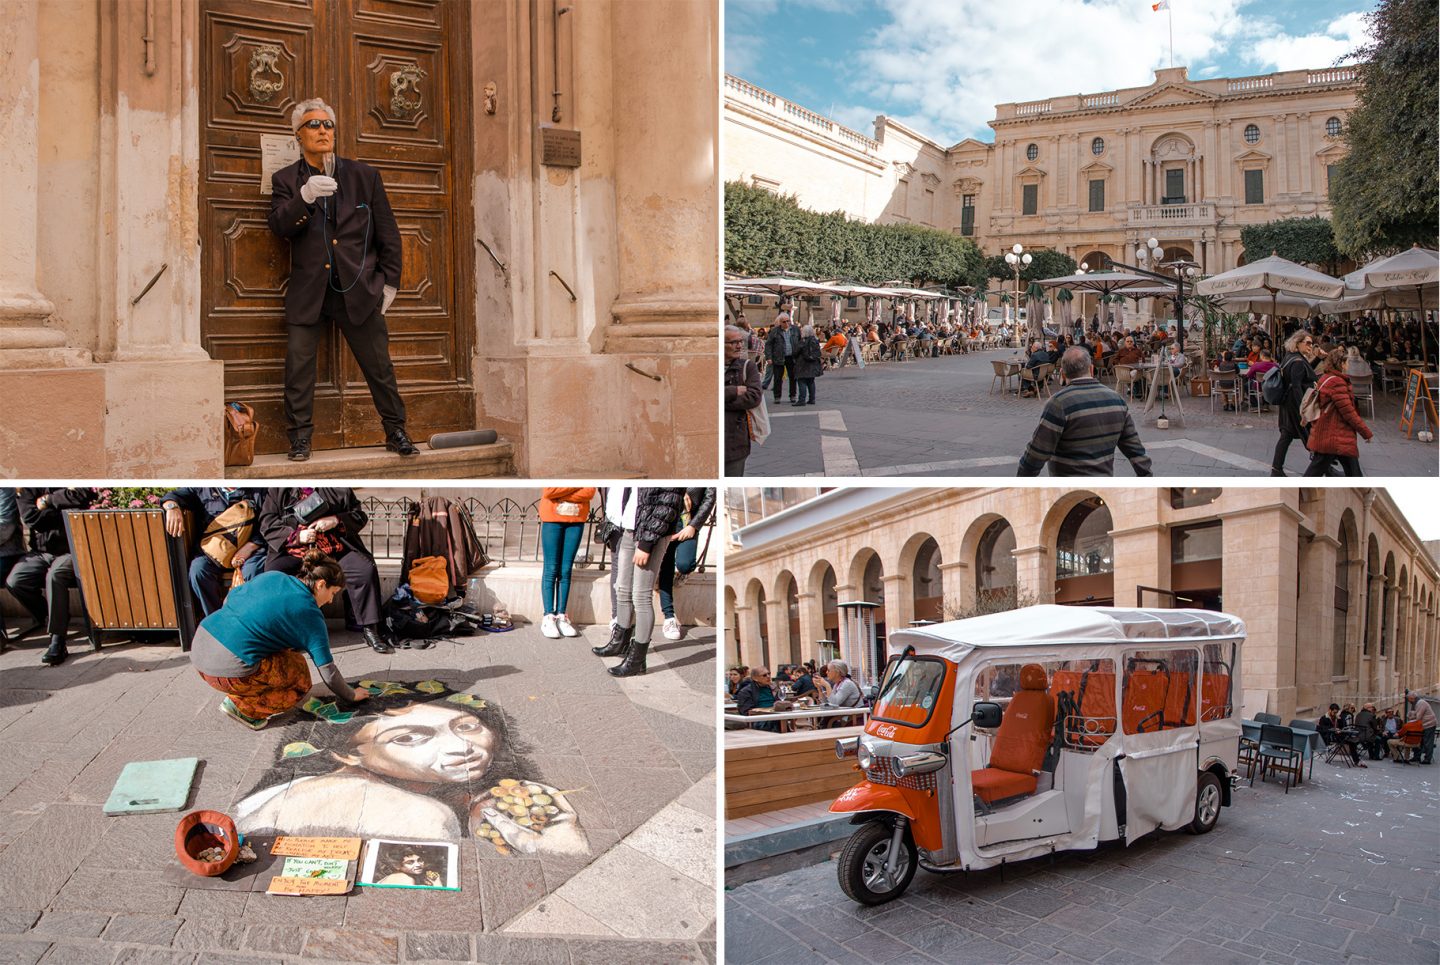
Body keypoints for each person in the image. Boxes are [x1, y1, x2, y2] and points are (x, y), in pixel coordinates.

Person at [234, 681, 586, 853]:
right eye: (408, 738)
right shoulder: (418, 813)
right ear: (348, 754)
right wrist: (551, 844)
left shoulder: (458, 797)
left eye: (466, 727)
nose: (461, 747)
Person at [267, 98, 416, 462]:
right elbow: (279, 226)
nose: (323, 130)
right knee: (298, 368)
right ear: (298, 135)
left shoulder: (365, 176)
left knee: (379, 366)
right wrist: (304, 197)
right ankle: (300, 438)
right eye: (313, 125)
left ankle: (395, 430)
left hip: (359, 289)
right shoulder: (286, 180)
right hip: (309, 292)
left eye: (328, 124)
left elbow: (388, 234)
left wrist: (389, 283)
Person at [190, 550, 364, 730]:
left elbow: (229, 600)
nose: (330, 601)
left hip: (200, 650)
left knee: (282, 653)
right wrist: (351, 695)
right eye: (333, 593)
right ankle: (244, 709)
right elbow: (328, 672)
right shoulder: (310, 614)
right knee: (300, 679)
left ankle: (244, 690)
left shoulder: (273, 576)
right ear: (321, 584)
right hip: (228, 673)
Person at [259, 488, 390, 654]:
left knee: (364, 569)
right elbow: (267, 523)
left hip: (335, 546)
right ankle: (284, 632)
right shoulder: (279, 491)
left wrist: (336, 520)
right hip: (294, 548)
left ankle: (370, 628)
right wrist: (298, 536)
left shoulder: (338, 488)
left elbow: (359, 516)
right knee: (274, 574)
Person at [590, 488, 684, 677]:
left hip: (651, 534)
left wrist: (646, 544)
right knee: (622, 589)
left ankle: (637, 660)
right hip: (628, 527)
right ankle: (619, 642)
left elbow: (668, 502)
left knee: (641, 596)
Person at [1017, 348, 1152, 477]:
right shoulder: (1117, 400)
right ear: (1091, 369)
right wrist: (1146, 475)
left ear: (1063, 374)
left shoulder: (1059, 403)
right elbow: (1135, 449)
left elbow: (1037, 453)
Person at [9, 488, 97, 665]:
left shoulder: (71, 477)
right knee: (16, 580)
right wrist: (62, 506)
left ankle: (58, 640)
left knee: (55, 576)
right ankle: (49, 616)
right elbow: (31, 519)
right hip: (40, 553)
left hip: (71, 550)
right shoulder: (28, 487)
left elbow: (83, 497)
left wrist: (47, 501)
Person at [160, 487, 267, 617]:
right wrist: (172, 508)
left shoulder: (259, 490)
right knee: (198, 571)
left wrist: (251, 546)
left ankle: (248, 620)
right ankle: (216, 619)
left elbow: (266, 521)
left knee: (252, 572)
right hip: (213, 550)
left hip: (251, 548)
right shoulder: (203, 488)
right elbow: (173, 496)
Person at [1302, 348, 1373, 477]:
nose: (1349, 365)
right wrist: (1365, 432)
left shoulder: (1327, 377)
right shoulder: (1337, 382)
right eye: (1347, 362)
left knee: (1353, 472)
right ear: (1341, 364)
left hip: (1335, 434)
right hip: (1333, 434)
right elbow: (1348, 412)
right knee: (1314, 473)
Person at [658, 488, 716, 641]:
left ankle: (680, 575)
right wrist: (678, 492)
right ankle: (669, 617)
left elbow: (710, 497)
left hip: (688, 521)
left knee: (685, 564)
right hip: (664, 519)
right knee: (666, 566)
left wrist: (693, 526)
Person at [538, 487, 596, 640]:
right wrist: (577, 486)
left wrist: (562, 494)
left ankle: (561, 615)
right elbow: (549, 491)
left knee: (566, 569)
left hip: (576, 519)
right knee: (551, 568)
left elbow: (589, 492)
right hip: (552, 518)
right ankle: (548, 615)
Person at [1271, 329, 1318, 476]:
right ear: (1298, 343)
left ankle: (1276, 469)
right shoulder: (1297, 361)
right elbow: (1297, 386)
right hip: (1295, 404)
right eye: (1308, 343)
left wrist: (1317, 358)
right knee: (1309, 434)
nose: (1311, 346)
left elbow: (1307, 372)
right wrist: (1302, 409)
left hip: (1288, 403)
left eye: (1312, 343)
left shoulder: (1290, 357)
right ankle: (1322, 465)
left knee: (1287, 435)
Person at [723, 325, 762, 476]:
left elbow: (753, 397)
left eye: (740, 341)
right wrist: (733, 391)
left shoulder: (747, 367)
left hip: (736, 441)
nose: (739, 345)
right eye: (733, 342)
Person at [764, 312, 800, 404]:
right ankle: (777, 396)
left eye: (788, 321)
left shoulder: (795, 330)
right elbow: (768, 344)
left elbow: (800, 342)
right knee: (777, 378)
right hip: (778, 357)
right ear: (780, 322)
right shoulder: (775, 331)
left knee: (793, 377)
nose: (787, 323)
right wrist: (768, 357)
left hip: (792, 357)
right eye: (784, 322)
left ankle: (792, 395)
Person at [820, 659, 863, 728]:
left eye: (829, 670)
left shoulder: (847, 684)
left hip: (853, 719)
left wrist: (827, 685)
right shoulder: (837, 684)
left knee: (826, 722)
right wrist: (819, 688)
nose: (826, 672)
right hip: (844, 716)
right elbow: (826, 703)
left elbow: (834, 703)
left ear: (837, 672)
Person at [735, 666, 779, 732]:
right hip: (759, 719)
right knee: (776, 722)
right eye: (764, 675)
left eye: (769, 674)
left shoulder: (774, 688)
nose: (768, 676)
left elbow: (780, 701)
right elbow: (745, 712)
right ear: (755, 678)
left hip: (777, 715)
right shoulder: (746, 692)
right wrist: (766, 710)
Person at [792, 324, 823, 406]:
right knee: (811, 381)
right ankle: (812, 399)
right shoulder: (815, 340)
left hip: (803, 364)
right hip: (813, 363)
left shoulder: (803, 341)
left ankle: (802, 400)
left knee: (801, 381)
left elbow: (795, 352)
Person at [1409, 694, 1436, 765]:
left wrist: (1411, 718)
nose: (1409, 701)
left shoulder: (1421, 703)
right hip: (1423, 725)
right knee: (1418, 740)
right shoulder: (1416, 703)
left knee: (1427, 742)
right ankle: (1416, 756)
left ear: (1412, 698)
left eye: (1409, 699)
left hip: (1429, 724)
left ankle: (1427, 759)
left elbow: (1418, 716)